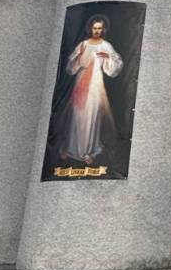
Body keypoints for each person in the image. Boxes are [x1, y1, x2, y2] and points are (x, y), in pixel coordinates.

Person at [53, 14, 124, 163]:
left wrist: (108, 58)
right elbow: (70, 67)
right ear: (90, 28)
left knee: (92, 115)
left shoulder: (105, 46)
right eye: (94, 28)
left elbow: (115, 66)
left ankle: (88, 151)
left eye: (99, 28)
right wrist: (78, 58)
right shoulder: (83, 44)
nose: (96, 31)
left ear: (103, 29)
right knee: (77, 115)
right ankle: (73, 148)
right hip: (80, 84)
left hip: (95, 86)